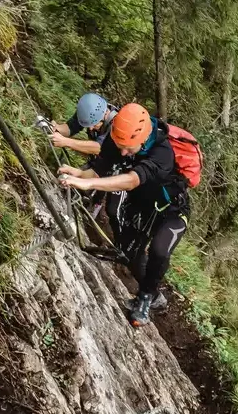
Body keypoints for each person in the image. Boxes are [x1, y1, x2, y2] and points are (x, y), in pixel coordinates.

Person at [58, 103, 189, 327]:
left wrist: (88, 183)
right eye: (120, 146)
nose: (123, 153)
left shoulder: (162, 152)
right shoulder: (116, 140)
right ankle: (153, 294)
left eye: (129, 148)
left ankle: (146, 298)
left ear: (144, 138)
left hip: (171, 210)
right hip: (141, 206)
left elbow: (131, 180)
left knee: (159, 250)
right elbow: (101, 167)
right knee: (129, 253)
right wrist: (80, 174)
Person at [47, 92, 117, 157]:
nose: (90, 128)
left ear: (106, 114)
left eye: (95, 124)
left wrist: (66, 141)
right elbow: (70, 128)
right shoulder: (87, 111)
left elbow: (99, 148)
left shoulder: (117, 125)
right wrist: (56, 128)